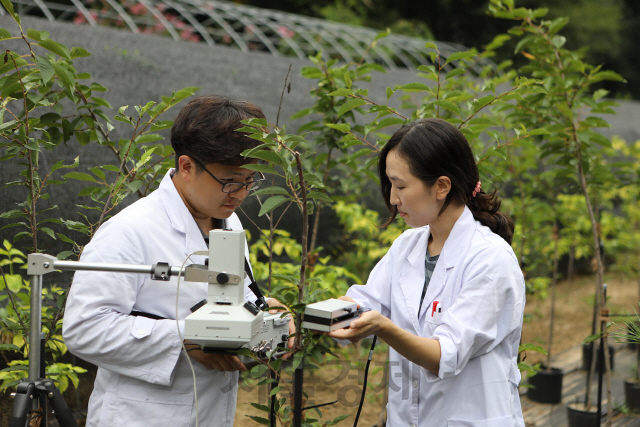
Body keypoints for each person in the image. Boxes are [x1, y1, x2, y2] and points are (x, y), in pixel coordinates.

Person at [63, 95, 293, 427]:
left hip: (210, 410)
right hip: (141, 416)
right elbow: (83, 328)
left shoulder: (226, 220)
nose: (240, 194)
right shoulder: (130, 231)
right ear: (187, 167)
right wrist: (186, 338)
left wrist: (267, 312)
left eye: (249, 181)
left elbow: (231, 300)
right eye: (229, 180)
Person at [329, 118, 526, 427]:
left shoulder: (490, 260)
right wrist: (304, 316)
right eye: (391, 184)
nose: (393, 198)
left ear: (441, 186)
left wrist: (383, 327)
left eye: (401, 185)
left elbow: (444, 354)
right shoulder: (409, 246)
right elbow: (365, 304)